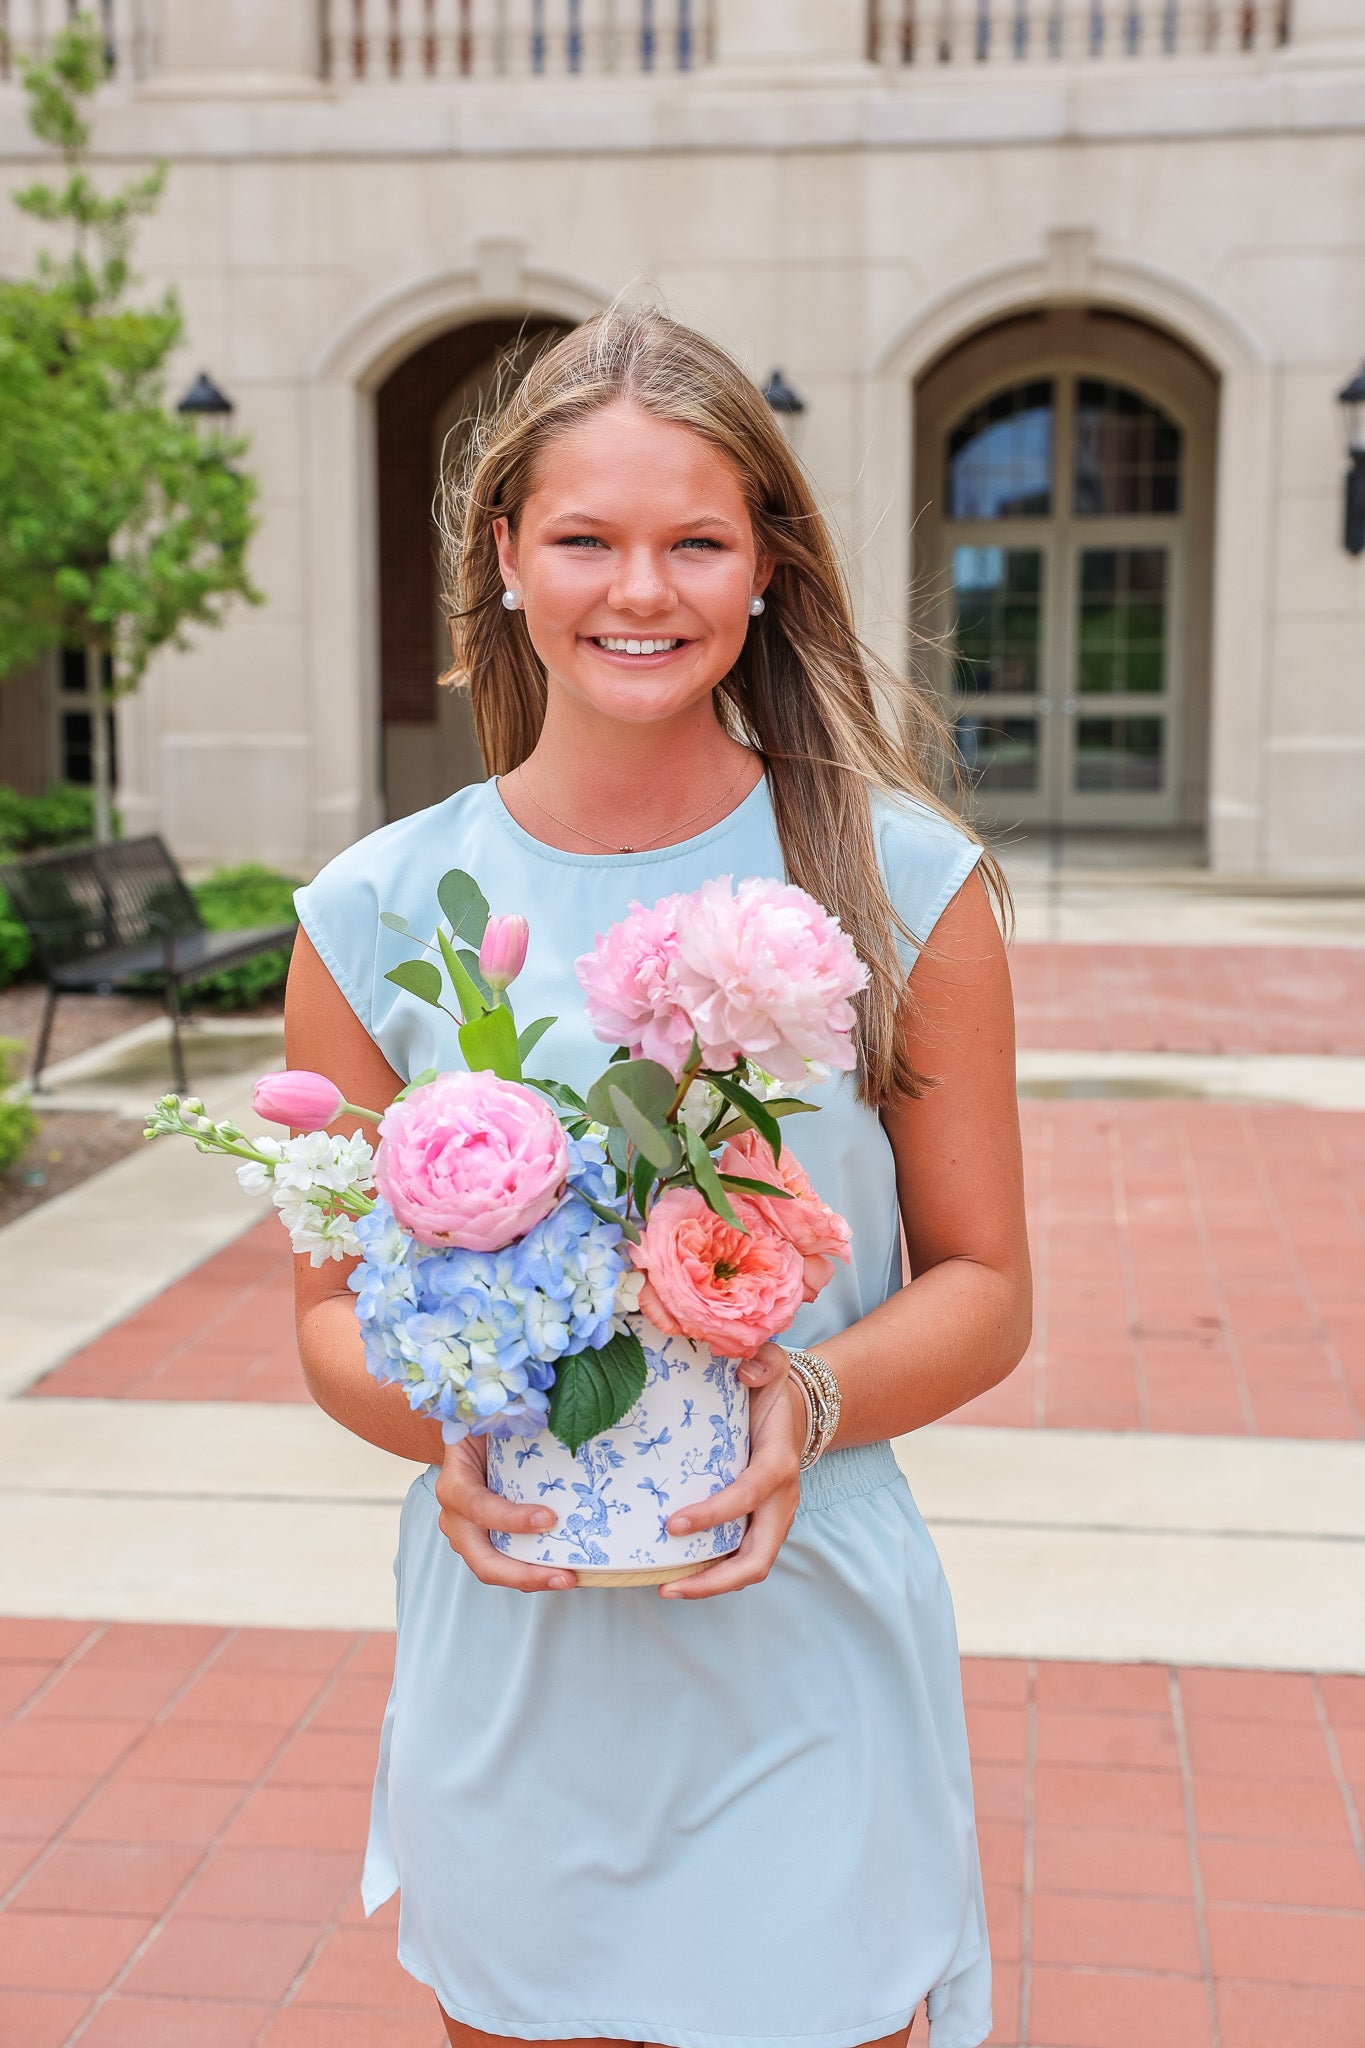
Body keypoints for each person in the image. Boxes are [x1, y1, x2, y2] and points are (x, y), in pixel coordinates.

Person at [286, 307, 1031, 2048]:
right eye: (585, 540)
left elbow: (986, 1288)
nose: (643, 589)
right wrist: (448, 1441)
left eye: (696, 539)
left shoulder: (905, 880)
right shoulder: (375, 911)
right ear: (504, 557)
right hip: (520, 1627)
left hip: (799, 1627)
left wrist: (814, 1400)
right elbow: (327, 1322)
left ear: (766, 564)